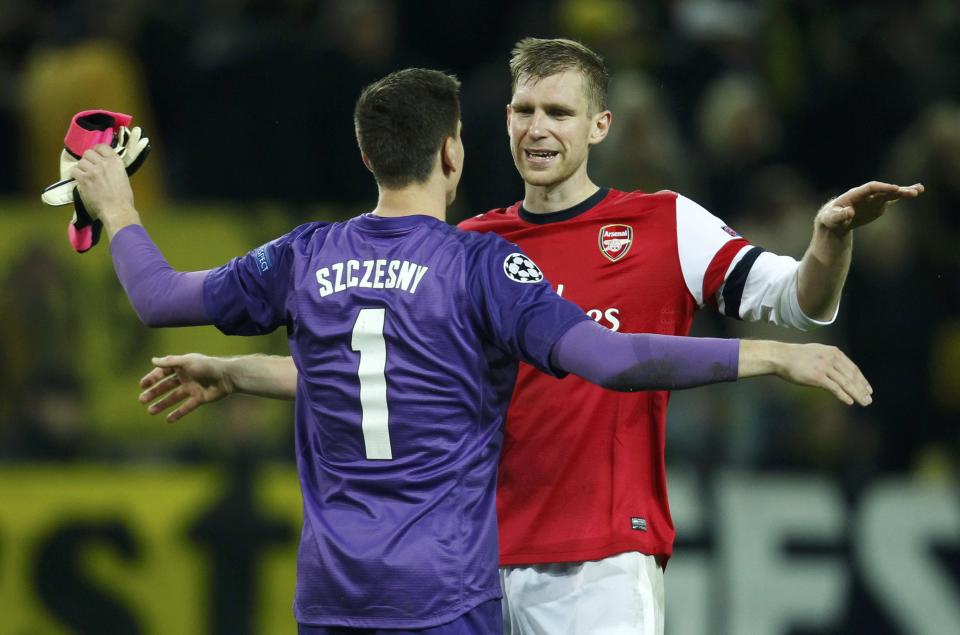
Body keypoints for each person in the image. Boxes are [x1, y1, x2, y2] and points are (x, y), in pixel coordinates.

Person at [78, 66, 872, 633]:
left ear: (367, 155)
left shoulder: (304, 256)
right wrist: (771, 356)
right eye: (522, 110)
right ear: (454, 152)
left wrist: (119, 208)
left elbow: (161, 299)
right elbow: (616, 360)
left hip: (334, 595)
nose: (536, 128)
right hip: (450, 588)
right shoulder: (475, 259)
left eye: (557, 111)